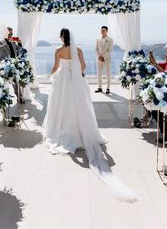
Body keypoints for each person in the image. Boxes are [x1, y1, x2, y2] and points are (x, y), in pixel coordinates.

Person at [43, 28, 136, 202]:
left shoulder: (58, 50)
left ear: (62, 37)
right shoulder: (77, 50)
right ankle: (80, 131)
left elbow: (56, 67)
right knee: (80, 107)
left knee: (61, 107)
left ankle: (64, 130)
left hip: (62, 82)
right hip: (75, 82)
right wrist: (75, 72)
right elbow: (83, 66)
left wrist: (52, 75)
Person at [95, 26, 113, 94]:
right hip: (99, 59)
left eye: (104, 30)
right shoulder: (98, 39)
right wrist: (99, 56)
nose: (102, 31)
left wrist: (103, 57)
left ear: (107, 31)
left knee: (108, 73)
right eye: (102, 30)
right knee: (99, 73)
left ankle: (108, 88)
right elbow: (96, 49)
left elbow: (110, 50)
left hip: (107, 59)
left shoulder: (110, 39)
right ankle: (100, 87)